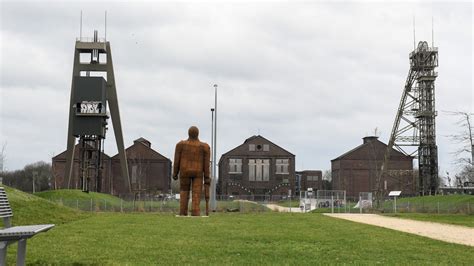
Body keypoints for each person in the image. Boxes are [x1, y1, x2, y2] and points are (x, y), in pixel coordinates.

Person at [173, 126, 211, 216]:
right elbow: (206, 165)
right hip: (198, 172)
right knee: (196, 193)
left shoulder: (180, 145)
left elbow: (176, 160)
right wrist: (207, 177)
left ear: (188, 133)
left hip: (184, 171)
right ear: (198, 133)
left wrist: (175, 173)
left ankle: (183, 212)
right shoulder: (204, 147)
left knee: (184, 191)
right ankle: (195, 211)